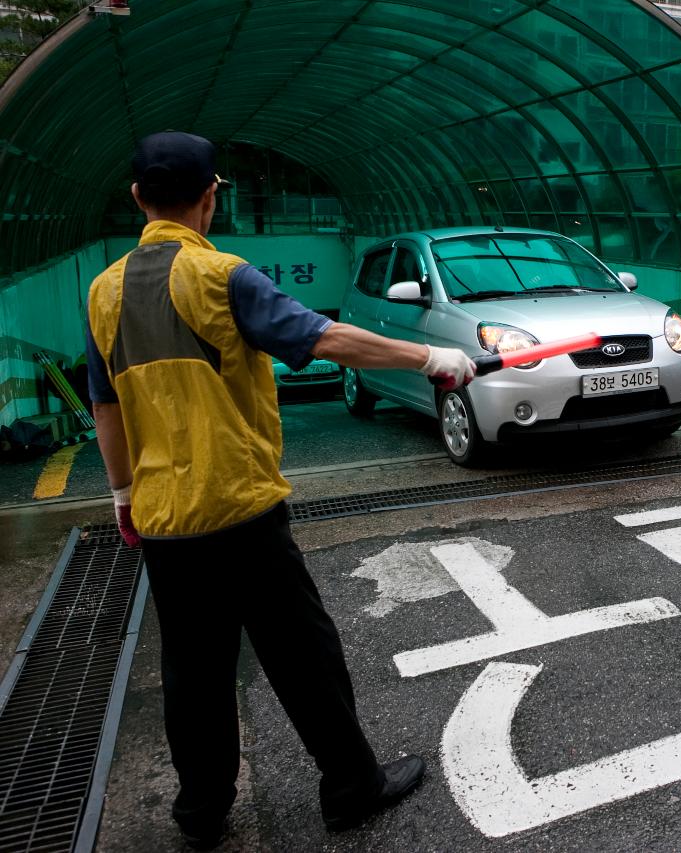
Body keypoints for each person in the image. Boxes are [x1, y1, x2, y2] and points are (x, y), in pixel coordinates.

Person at [85, 132, 477, 848]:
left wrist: (122, 496)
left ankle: (202, 811)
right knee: (304, 656)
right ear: (210, 197)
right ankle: (352, 786)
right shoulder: (222, 277)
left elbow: (105, 406)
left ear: (139, 197)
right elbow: (324, 338)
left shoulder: (102, 291)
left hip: (165, 517)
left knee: (191, 668)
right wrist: (431, 355)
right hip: (239, 508)